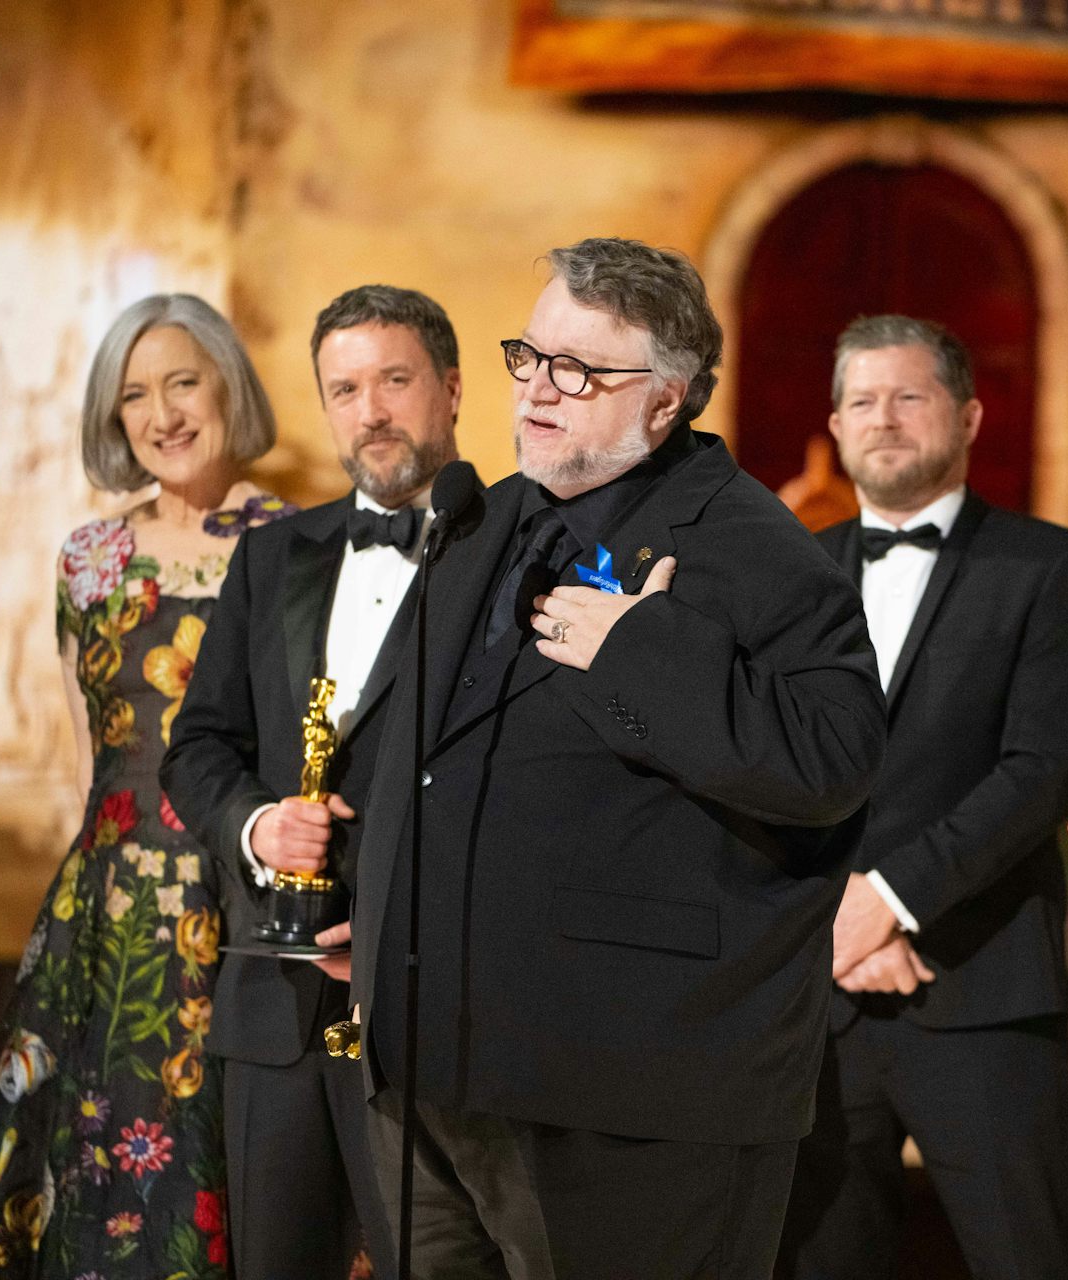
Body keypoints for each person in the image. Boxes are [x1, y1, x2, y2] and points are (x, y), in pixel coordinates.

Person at [345, 237, 886, 1277]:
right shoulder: (485, 513)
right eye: (532, 357)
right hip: (438, 1066)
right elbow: (421, 753)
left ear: (666, 401)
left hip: (630, 1093)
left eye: (582, 371)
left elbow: (834, 758)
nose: (541, 391)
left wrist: (640, 649)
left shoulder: (748, 539)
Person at [0, 294, 293, 1280]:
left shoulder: (296, 546)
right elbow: (81, 755)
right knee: (81, 1187)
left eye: (184, 381)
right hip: (104, 922)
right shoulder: (87, 561)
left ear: (228, 386)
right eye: (134, 394)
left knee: (223, 1185)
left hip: (240, 911)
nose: (162, 413)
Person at [776, 315, 1068, 1280]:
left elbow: (1038, 775)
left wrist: (887, 902)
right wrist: (838, 925)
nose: (884, 419)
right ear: (835, 426)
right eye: (862, 401)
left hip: (984, 993)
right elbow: (766, 771)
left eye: (908, 396)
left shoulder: (1051, 568)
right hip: (821, 1006)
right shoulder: (790, 578)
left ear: (967, 415)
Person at [164, 285, 463, 1276]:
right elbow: (198, 745)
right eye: (344, 387)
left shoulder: (513, 552)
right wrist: (255, 826)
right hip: (272, 1009)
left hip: (433, 1017)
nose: (369, 409)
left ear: (452, 389)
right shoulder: (269, 556)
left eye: (394, 379)